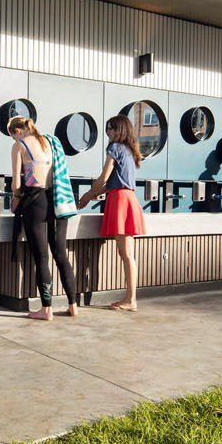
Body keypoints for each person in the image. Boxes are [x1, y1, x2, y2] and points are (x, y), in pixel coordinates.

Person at [8, 115, 80, 319]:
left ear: (17, 132)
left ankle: (46, 309)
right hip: (58, 201)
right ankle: (73, 305)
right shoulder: (50, 141)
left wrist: (15, 198)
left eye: (12, 136)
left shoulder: (20, 145)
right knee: (61, 255)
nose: (13, 140)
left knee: (41, 258)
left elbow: (16, 184)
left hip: (36, 202)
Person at [76, 115, 146, 312]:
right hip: (129, 198)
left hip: (120, 201)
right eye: (107, 129)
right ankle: (130, 298)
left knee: (125, 254)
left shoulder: (115, 148)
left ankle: (130, 300)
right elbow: (112, 183)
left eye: (112, 129)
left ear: (121, 130)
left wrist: (88, 195)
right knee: (128, 254)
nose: (109, 133)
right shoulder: (131, 151)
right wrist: (93, 194)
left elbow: (104, 177)